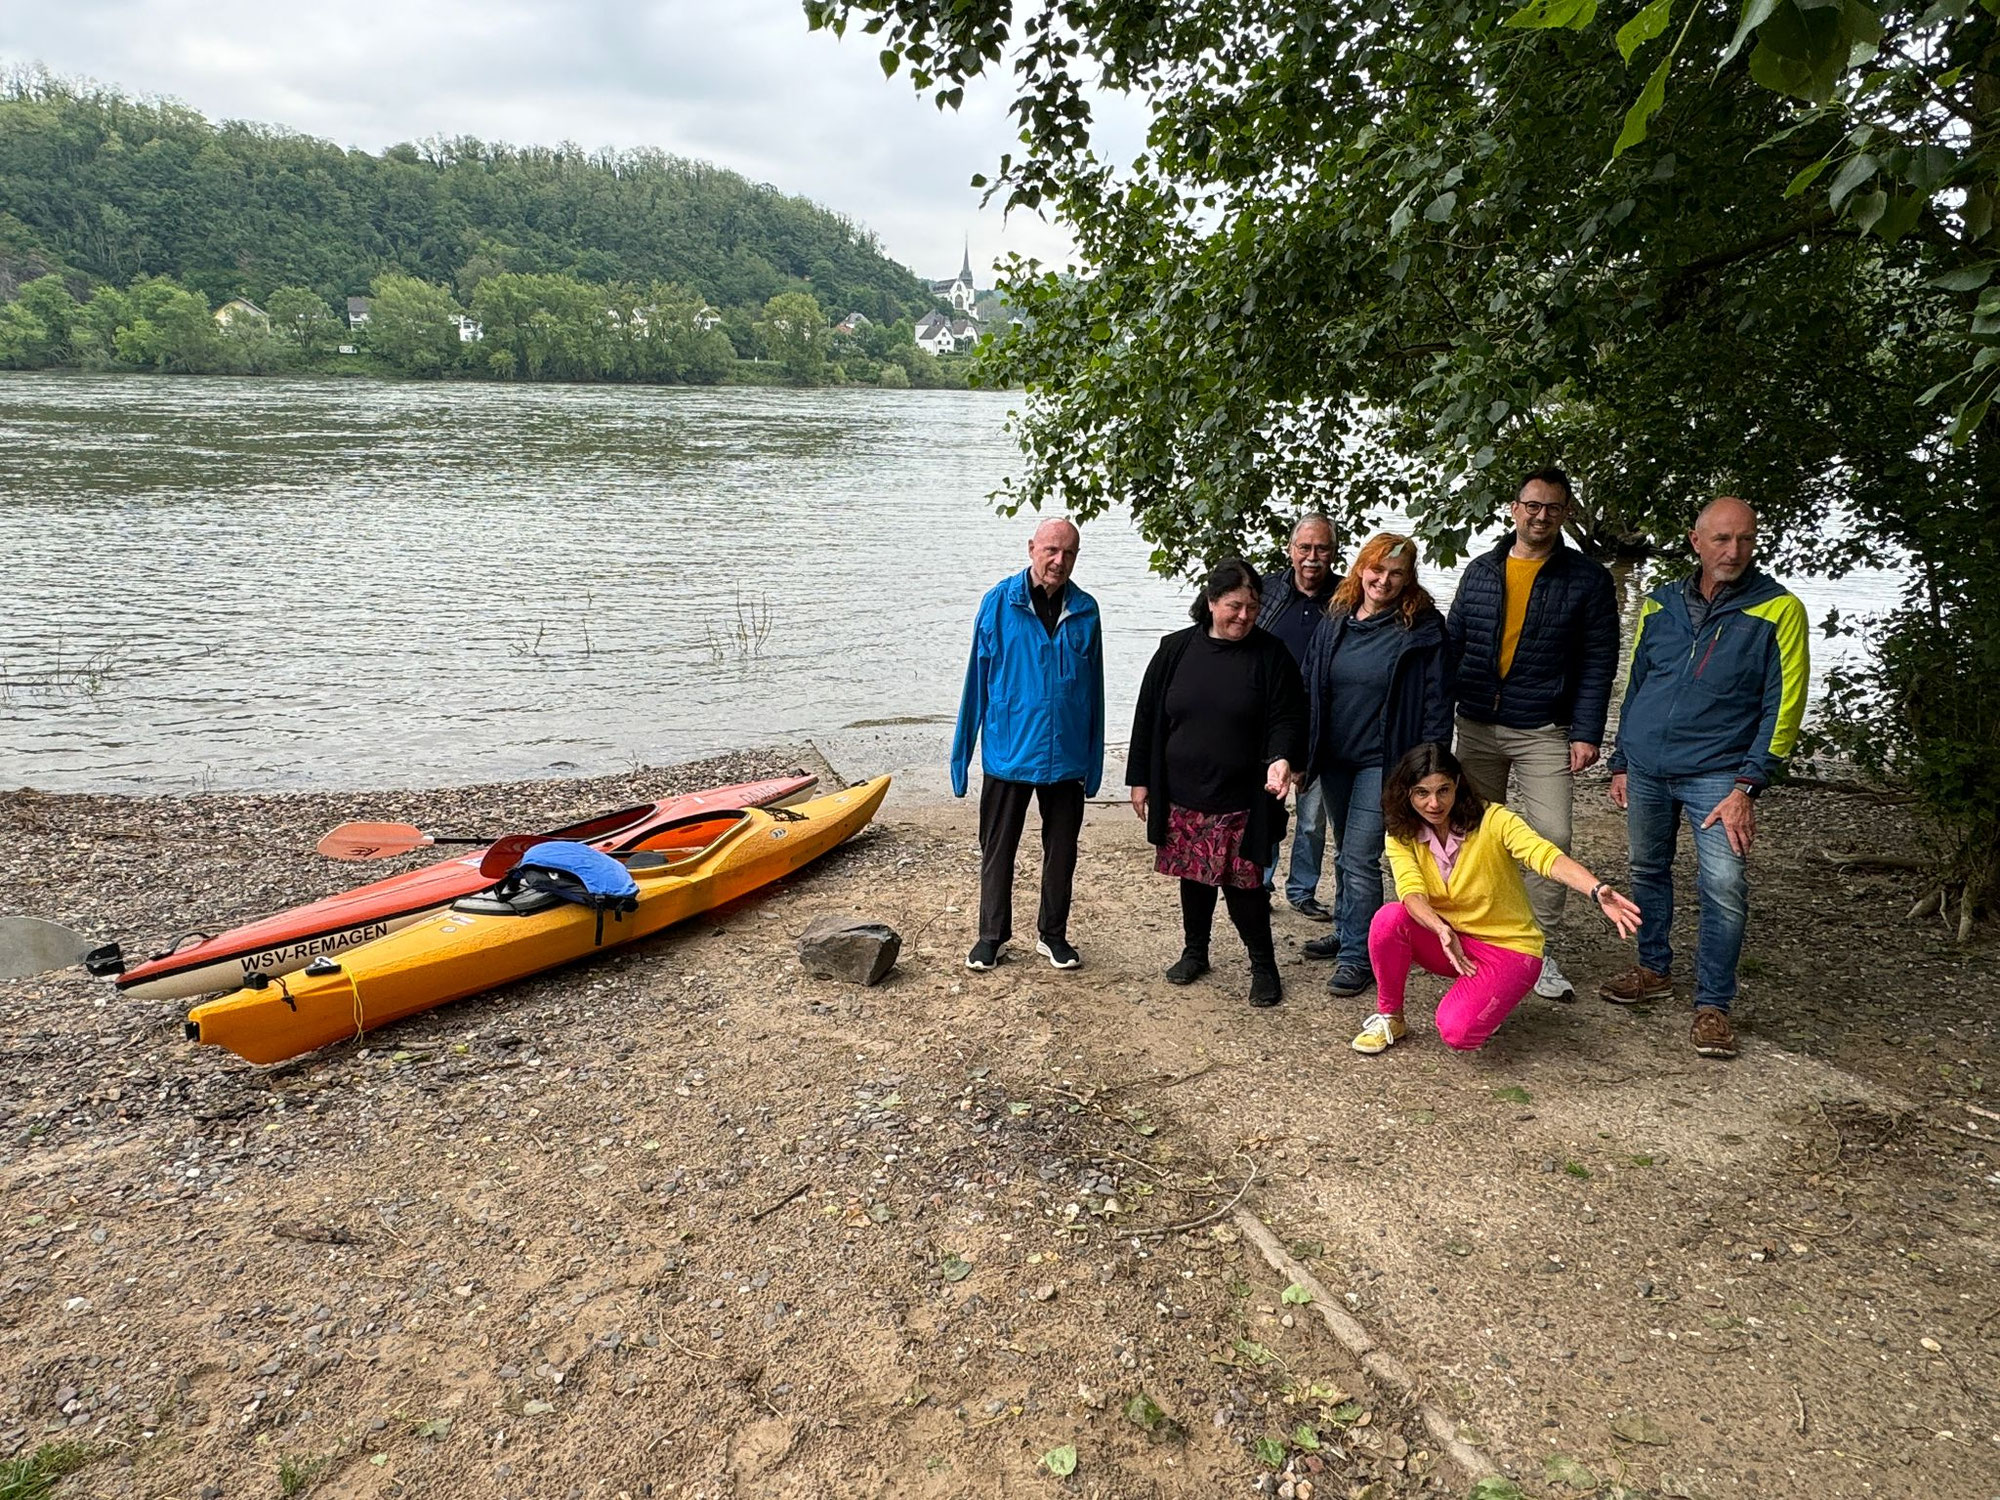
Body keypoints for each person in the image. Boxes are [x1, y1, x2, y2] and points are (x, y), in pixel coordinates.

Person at [1603, 497, 1810, 1059]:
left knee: (1723, 889)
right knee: (1648, 870)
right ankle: (1653, 968)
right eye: (1721, 539)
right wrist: (1621, 758)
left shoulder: (1778, 610)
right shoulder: (1660, 603)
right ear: (1697, 542)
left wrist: (1749, 786)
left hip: (1720, 776)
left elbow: (1784, 704)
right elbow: (1638, 683)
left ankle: (1714, 1003)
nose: (1733, 551)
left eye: (1744, 539)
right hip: (1646, 767)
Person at [1445, 467, 1619, 1002]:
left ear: (1565, 515)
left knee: (1552, 836)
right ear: (1514, 508)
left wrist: (1587, 731)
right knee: (1472, 837)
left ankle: (1534, 948)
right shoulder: (1481, 571)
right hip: (1474, 723)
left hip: (1543, 727)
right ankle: (1480, 933)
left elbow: (1598, 662)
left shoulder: (1587, 579)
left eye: (1553, 508)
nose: (1541, 515)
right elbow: (1450, 646)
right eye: (1532, 505)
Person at [1353, 743, 1642, 1054]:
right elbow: (1411, 892)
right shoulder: (1402, 832)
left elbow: (1543, 855)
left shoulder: (1494, 819)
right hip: (1452, 941)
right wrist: (1440, 928)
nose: (1434, 803)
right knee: (1389, 918)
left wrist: (1596, 889)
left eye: (1443, 791)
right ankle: (1391, 1017)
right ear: (1407, 793)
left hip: (1508, 947)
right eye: (1422, 793)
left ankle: (1496, 994)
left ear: (1458, 786)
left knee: (1458, 1034)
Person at [1128, 559, 1307, 1007]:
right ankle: (1196, 952)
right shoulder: (1174, 650)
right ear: (1211, 603)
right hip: (1183, 791)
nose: (1244, 616)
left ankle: (1263, 965)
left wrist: (1281, 759)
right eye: (1234, 606)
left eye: (1252, 607)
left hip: (1244, 794)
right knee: (1194, 875)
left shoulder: (1271, 655)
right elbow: (1148, 715)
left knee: (1244, 884)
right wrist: (1140, 780)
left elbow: (1289, 718)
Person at [1299, 533, 1453, 998]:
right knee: (1344, 849)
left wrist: (1429, 768)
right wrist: (1300, 752)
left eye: (1396, 574)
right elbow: (1309, 684)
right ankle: (1351, 930)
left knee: (1361, 857)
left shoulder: (1423, 630)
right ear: (1361, 568)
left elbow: (1436, 704)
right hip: (1335, 756)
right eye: (1376, 569)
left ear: (1409, 579)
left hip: (1385, 760)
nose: (1383, 580)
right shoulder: (1337, 618)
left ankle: (1358, 958)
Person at [951, 517, 1105, 972]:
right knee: (998, 848)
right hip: (1009, 752)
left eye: (1069, 553)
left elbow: (1094, 691)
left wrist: (1093, 765)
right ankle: (991, 936)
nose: (1059, 561)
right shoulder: (999, 604)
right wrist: (961, 761)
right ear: (1032, 548)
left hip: (1066, 755)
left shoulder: (1086, 610)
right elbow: (975, 684)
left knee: (1063, 850)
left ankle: (1053, 935)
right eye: (1051, 550)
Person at [1258, 515, 1340, 921]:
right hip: (1269, 720)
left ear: (1333, 552)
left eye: (1321, 548)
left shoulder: (1347, 597)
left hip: (1325, 723)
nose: (1312, 557)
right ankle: (1260, 883)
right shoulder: (1267, 590)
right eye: (1304, 548)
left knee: (1312, 819)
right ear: (1290, 550)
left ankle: (1303, 890)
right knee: (1268, 808)